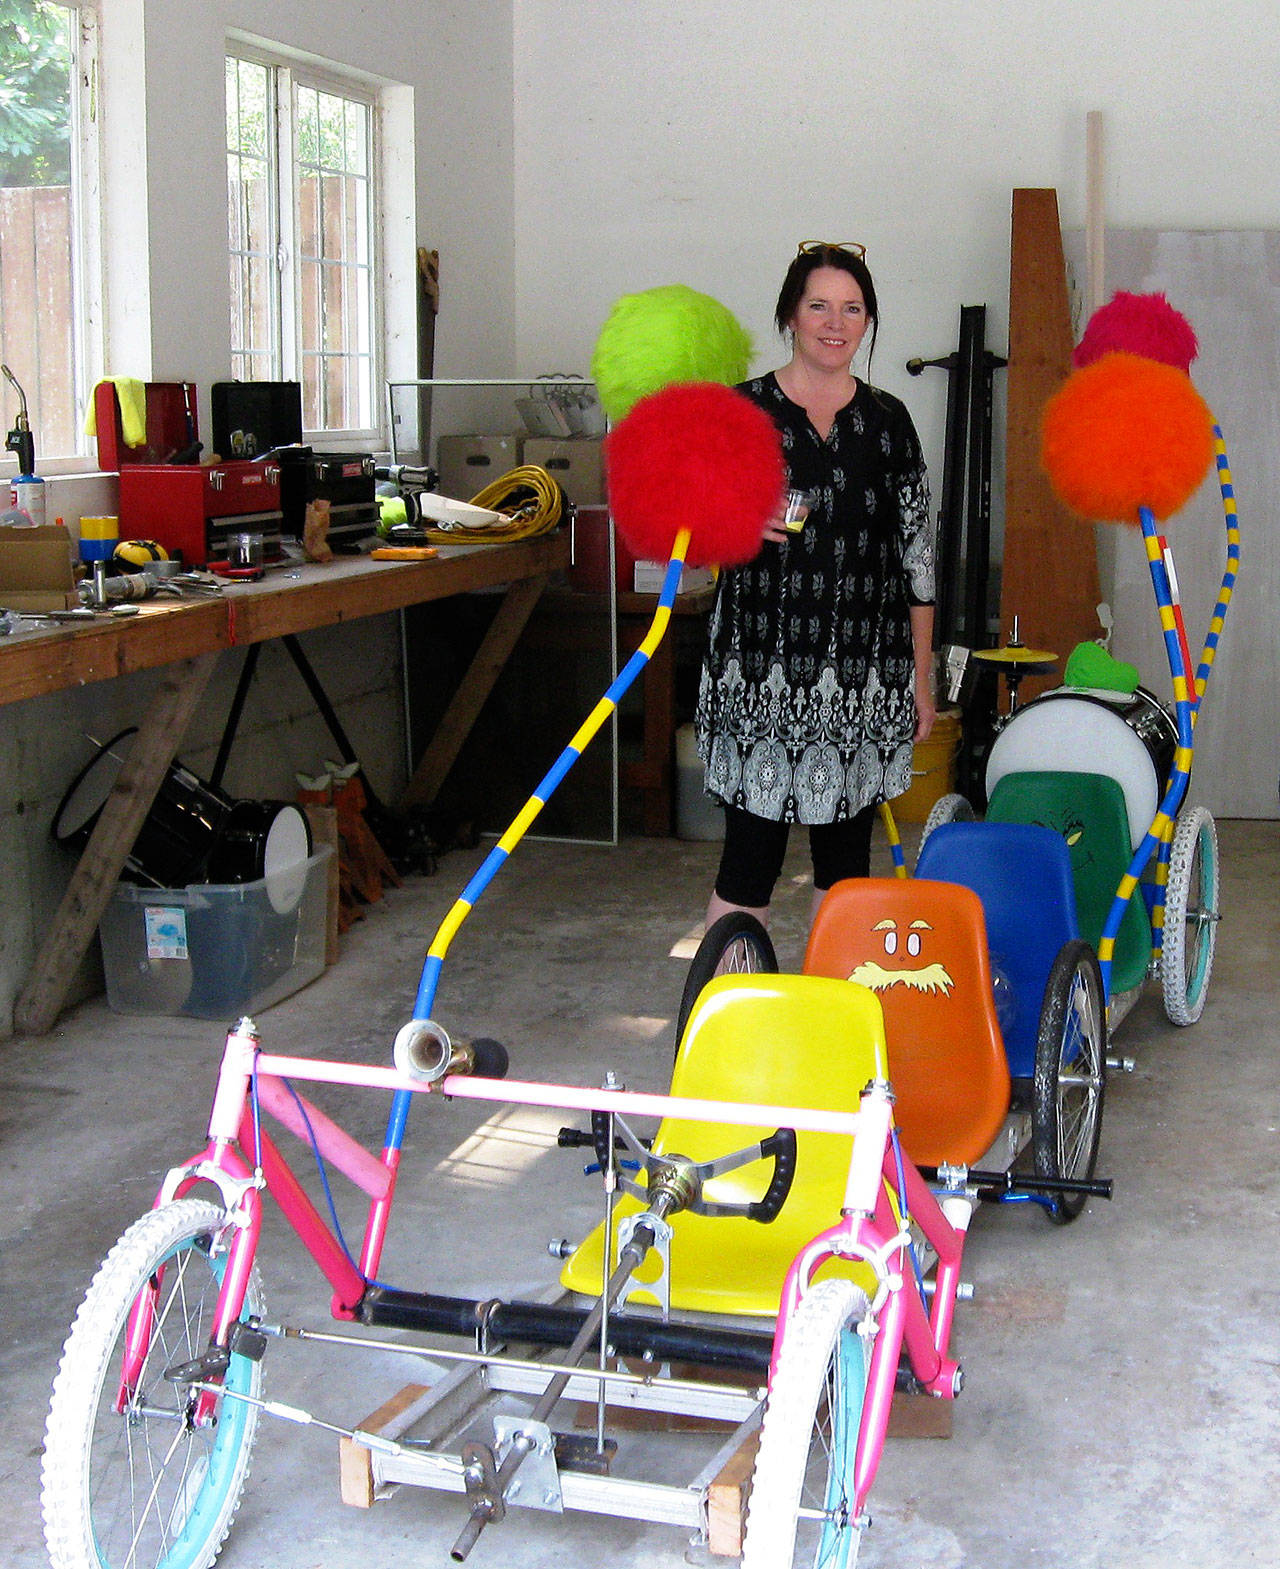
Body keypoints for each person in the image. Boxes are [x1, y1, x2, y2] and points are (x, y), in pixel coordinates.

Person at [694, 241, 936, 932]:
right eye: (820, 305)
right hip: (759, 676)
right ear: (791, 316)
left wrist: (922, 679)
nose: (836, 322)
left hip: (862, 677)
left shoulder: (889, 423)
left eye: (853, 308)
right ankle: (729, 1017)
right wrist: (738, 518)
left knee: (846, 865)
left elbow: (917, 560)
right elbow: (688, 533)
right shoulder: (742, 413)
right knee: (749, 860)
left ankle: (835, 1021)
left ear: (867, 322)